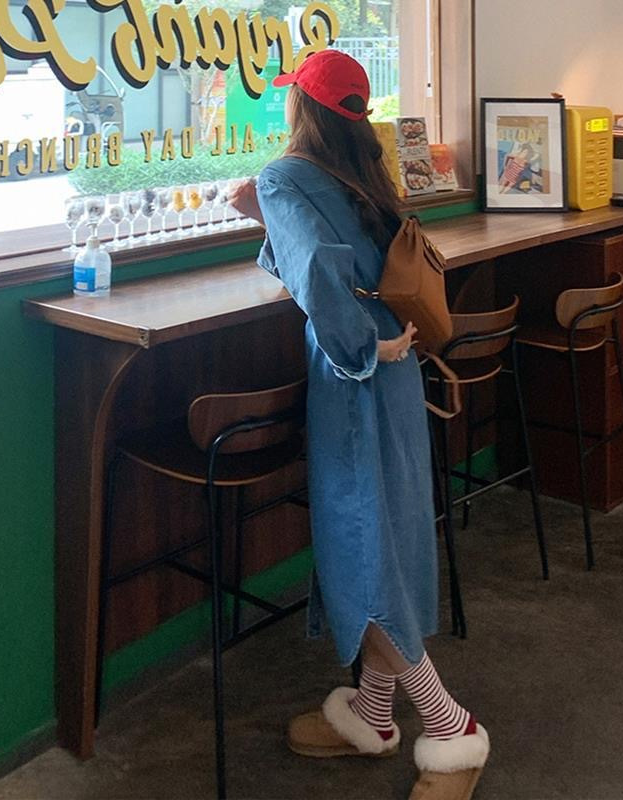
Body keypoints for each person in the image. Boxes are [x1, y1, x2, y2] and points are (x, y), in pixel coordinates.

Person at [230, 50, 489, 800]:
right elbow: (342, 261)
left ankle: (450, 728)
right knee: (392, 536)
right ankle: (373, 716)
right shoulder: (369, 175)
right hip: (400, 368)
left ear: (301, 108)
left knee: (359, 551)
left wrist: (358, 349)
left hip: (355, 381)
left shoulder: (286, 175)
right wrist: (267, 221)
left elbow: (318, 275)